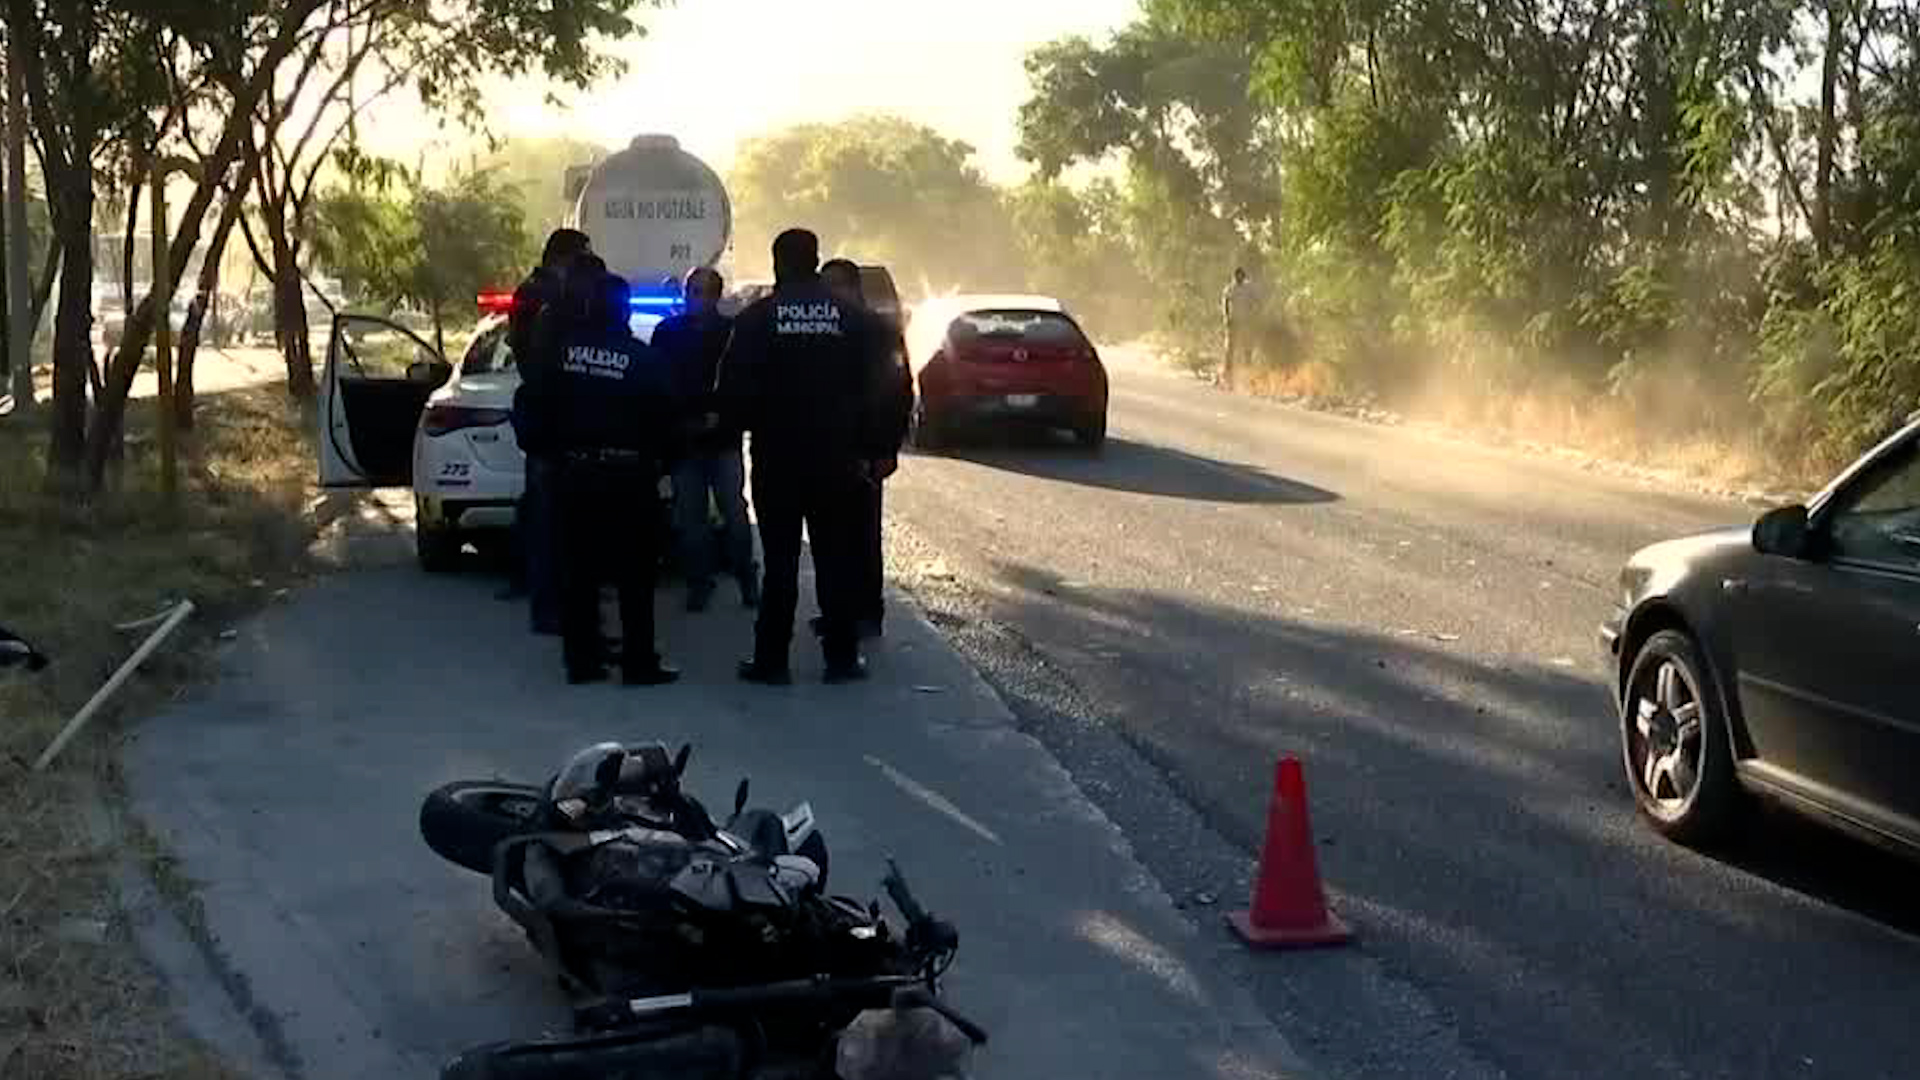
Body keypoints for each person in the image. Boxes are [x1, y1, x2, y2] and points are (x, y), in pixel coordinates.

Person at [720, 230, 896, 685]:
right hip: (839, 460)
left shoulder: (758, 320)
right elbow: (891, 385)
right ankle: (840, 658)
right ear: (816, 261)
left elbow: (733, 392)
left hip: (778, 459)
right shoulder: (856, 320)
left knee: (779, 563)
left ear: (778, 263)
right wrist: (880, 447)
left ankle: (771, 660)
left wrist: (733, 428)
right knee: (835, 558)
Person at [548, 267, 684, 686]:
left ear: (588, 308)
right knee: (635, 576)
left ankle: (582, 662)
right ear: (624, 312)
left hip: (576, 473)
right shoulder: (643, 360)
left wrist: (555, 456)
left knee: (578, 572)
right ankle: (638, 663)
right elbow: (669, 419)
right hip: (629, 478)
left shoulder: (561, 353)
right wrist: (663, 466)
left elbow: (535, 406)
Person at [504, 228, 594, 636]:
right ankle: (547, 604)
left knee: (540, 509)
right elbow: (540, 359)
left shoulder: (532, 292)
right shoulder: (550, 300)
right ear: (566, 257)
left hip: (545, 417)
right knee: (548, 517)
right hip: (554, 420)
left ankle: (536, 588)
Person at [653, 266, 759, 613]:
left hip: (722, 439)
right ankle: (699, 582)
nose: (697, 299)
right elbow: (660, 382)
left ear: (717, 296)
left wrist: (724, 416)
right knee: (690, 518)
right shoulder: (668, 332)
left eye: (704, 292)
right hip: (684, 441)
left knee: (734, 512)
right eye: (693, 291)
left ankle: (746, 575)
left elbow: (742, 385)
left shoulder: (732, 333)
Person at [819, 258, 912, 640]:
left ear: (851, 289)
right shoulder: (828, 330)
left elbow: (900, 393)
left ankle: (868, 612)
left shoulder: (879, 331)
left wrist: (886, 450)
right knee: (833, 538)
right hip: (831, 449)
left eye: (833, 287)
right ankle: (840, 612)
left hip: (865, 451)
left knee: (862, 537)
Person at [1222, 266, 1259, 388]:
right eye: (1237, 276)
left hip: (1247, 322)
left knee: (1247, 348)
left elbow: (1256, 301)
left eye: (1241, 276)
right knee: (1230, 348)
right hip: (1234, 321)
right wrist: (1226, 317)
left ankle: (1248, 374)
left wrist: (1255, 313)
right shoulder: (1230, 288)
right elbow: (1226, 302)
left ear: (1244, 276)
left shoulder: (1249, 288)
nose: (1239, 278)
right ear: (1234, 276)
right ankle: (1227, 374)